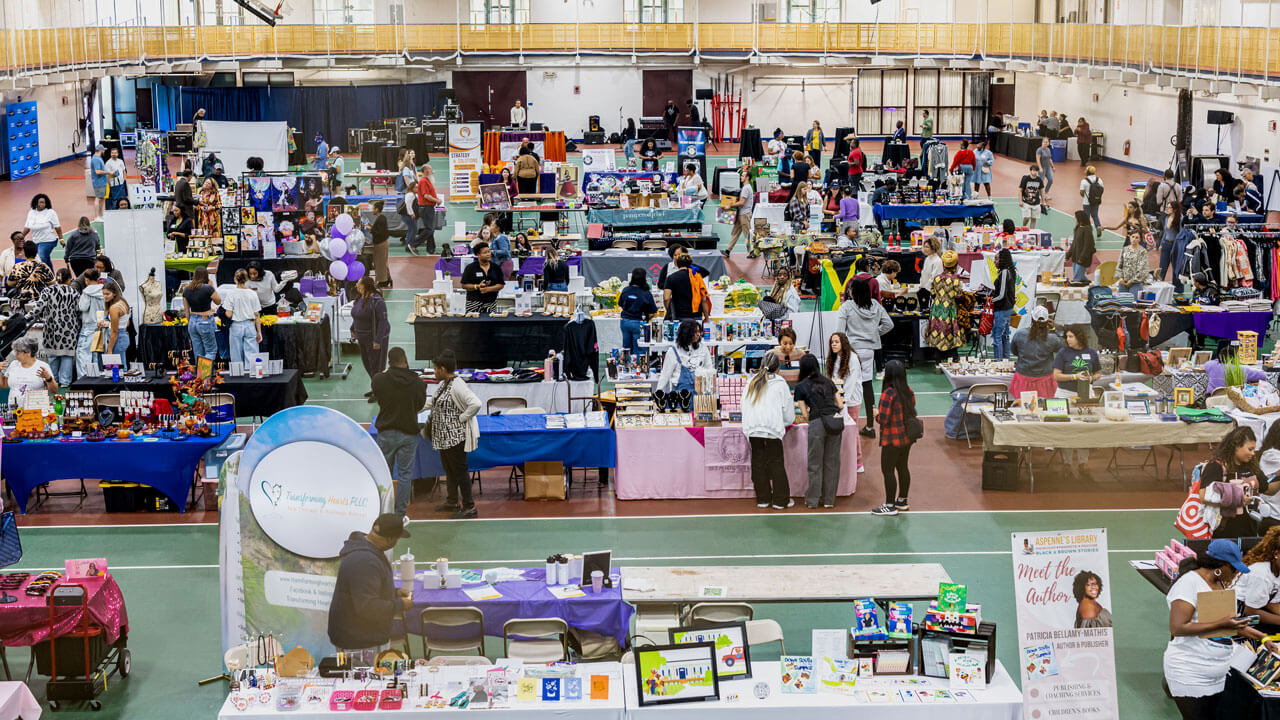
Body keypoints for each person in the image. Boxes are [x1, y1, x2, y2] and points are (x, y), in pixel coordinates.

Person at [1164, 539, 1277, 719]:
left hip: (1217, 675)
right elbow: (1178, 627)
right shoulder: (1189, 584)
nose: (1236, 573)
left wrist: (1262, 638)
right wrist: (1222, 624)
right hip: (1190, 673)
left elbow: (1231, 626)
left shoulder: (1222, 585)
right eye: (1233, 569)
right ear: (1220, 566)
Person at [327, 513, 414, 654]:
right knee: (365, 676)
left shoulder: (366, 551)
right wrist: (401, 605)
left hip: (359, 636)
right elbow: (367, 607)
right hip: (359, 643)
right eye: (397, 538)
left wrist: (394, 592)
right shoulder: (365, 561)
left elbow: (363, 590)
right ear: (390, 539)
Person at [371, 346, 428, 517]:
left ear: (389, 362)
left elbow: (378, 399)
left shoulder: (379, 379)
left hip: (386, 433)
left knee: (383, 474)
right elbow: (419, 406)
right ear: (405, 360)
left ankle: (383, 510)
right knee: (405, 475)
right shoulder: (418, 383)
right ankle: (400, 514)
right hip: (408, 434)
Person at [427, 349, 482, 519]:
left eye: (436, 369)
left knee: (460, 471)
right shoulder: (443, 384)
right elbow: (432, 401)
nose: (434, 372)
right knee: (449, 470)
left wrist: (462, 417)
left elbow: (476, 404)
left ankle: (469, 506)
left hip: (455, 437)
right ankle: (451, 501)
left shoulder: (458, 386)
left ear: (443, 369)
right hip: (444, 437)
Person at [741, 351, 796, 511]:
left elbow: (743, 406)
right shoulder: (780, 383)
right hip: (772, 427)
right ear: (778, 368)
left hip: (752, 427)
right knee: (776, 461)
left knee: (757, 461)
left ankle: (763, 499)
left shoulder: (751, 381)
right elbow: (788, 414)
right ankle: (780, 500)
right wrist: (783, 423)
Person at [838, 276, 892, 437]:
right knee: (867, 385)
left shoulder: (847, 307)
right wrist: (875, 334)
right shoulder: (876, 305)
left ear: (853, 292)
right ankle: (869, 426)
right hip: (869, 351)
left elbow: (840, 332)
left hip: (851, 351)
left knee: (845, 385)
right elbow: (889, 324)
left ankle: (843, 422)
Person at [1051, 325, 1102, 477]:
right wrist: (1074, 376)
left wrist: (1092, 378)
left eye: (1071, 336)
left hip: (1085, 394)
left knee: (1084, 429)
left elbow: (1098, 372)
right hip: (1064, 394)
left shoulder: (1091, 353)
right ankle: (1066, 463)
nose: (1068, 340)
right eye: (1067, 337)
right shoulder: (1063, 352)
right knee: (1066, 429)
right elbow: (1056, 375)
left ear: (1079, 337)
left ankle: (1083, 463)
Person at [793, 353, 843, 509]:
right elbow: (840, 405)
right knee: (832, 462)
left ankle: (813, 500)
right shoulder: (829, 382)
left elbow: (805, 414)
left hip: (817, 423)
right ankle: (829, 500)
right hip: (835, 422)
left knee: (815, 464)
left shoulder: (801, 387)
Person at [872, 360, 916, 516]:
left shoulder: (888, 394)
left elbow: (883, 419)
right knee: (903, 467)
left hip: (891, 438)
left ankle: (889, 505)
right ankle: (902, 501)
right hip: (907, 438)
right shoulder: (908, 391)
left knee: (888, 470)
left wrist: (876, 415)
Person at [35, 269, 80, 387]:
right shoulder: (74, 292)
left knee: (52, 355)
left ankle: (53, 379)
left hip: (51, 328)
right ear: (69, 279)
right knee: (67, 355)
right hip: (69, 329)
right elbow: (78, 310)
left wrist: (27, 317)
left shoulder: (47, 290)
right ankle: (65, 381)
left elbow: (38, 307)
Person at [1010, 305, 1062, 399]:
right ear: (1048, 321)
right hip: (1045, 379)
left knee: (1023, 407)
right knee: (1045, 408)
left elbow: (1014, 351)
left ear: (1032, 319)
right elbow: (1060, 349)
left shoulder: (1020, 334)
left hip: (1024, 377)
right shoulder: (1052, 338)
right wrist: (1054, 330)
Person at [352, 276, 390, 401]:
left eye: (358, 283)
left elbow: (383, 322)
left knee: (376, 366)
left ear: (365, 285)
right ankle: (375, 387)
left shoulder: (377, 301)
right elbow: (357, 315)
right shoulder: (360, 298)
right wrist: (353, 329)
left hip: (373, 339)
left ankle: (379, 391)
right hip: (362, 338)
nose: (356, 285)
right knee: (367, 364)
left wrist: (378, 340)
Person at [1239, 526, 1280, 633]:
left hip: (1256, 610)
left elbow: (1272, 603)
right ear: (1276, 554)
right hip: (1239, 614)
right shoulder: (1260, 573)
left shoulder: (1277, 571)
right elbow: (1251, 612)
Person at [926, 250, 965, 363]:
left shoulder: (936, 278)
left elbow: (932, 293)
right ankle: (951, 362)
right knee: (950, 334)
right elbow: (959, 296)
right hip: (949, 310)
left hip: (937, 309)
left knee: (938, 333)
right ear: (955, 265)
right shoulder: (955, 280)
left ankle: (938, 363)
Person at [657, 320, 713, 395]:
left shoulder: (703, 349)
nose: (698, 334)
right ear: (686, 333)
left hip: (700, 396)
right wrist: (658, 393)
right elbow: (665, 375)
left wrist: (711, 392)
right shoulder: (673, 351)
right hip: (680, 396)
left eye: (699, 331)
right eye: (695, 332)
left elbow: (709, 371)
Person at [826, 332, 863, 438]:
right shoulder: (835, 357)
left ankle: (857, 454)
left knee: (852, 431)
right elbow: (832, 380)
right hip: (839, 400)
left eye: (837, 342)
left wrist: (842, 401)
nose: (833, 344)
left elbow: (850, 384)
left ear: (843, 343)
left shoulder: (853, 359)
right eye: (832, 342)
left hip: (851, 400)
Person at [0, 337, 57, 405]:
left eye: (18, 352)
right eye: (15, 351)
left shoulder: (42, 366)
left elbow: (54, 390)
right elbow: (4, 385)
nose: (15, 354)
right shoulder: (13, 364)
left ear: (28, 352)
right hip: (14, 409)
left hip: (35, 410)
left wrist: (48, 378)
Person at [222, 269, 262, 366]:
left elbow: (229, 314)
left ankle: (238, 377)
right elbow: (256, 314)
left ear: (235, 279)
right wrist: (259, 332)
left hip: (236, 325)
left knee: (236, 354)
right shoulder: (252, 293)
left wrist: (222, 312)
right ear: (247, 279)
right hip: (249, 325)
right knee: (252, 354)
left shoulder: (231, 294)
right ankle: (251, 375)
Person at [182, 266, 221, 361]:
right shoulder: (208, 288)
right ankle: (205, 374)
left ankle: (200, 374)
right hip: (205, 320)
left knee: (198, 351)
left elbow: (187, 311)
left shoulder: (186, 289)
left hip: (192, 322)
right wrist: (212, 287)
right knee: (211, 350)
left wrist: (190, 322)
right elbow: (218, 301)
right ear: (206, 276)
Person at [618, 268, 657, 357]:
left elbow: (620, 304)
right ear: (644, 278)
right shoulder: (646, 293)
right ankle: (639, 368)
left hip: (625, 322)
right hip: (639, 323)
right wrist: (647, 318)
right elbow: (653, 311)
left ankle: (627, 367)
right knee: (639, 350)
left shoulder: (626, 290)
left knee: (626, 348)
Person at [663, 253, 710, 322]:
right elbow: (704, 299)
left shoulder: (671, 278)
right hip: (696, 314)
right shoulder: (697, 277)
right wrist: (706, 317)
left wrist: (669, 312)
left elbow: (666, 298)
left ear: (676, 264)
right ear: (690, 264)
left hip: (679, 315)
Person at [1159, 202, 1195, 294]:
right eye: (1167, 207)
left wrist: (1179, 246)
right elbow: (1165, 232)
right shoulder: (1166, 218)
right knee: (1162, 267)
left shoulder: (1180, 219)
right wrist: (1161, 244)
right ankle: (1158, 285)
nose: (1167, 209)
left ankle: (1178, 289)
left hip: (1175, 246)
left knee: (1176, 267)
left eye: (1169, 207)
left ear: (1174, 209)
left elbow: (1181, 234)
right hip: (1166, 244)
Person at [461, 242, 504, 314]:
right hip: (473, 304)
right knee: (473, 324)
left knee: (489, 324)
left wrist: (488, 289)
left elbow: (501, 284)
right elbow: (464, 285)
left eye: (489, 251)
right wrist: (477, 286)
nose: (488, 254)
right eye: (485, 252)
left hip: (491, 303)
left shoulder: (496, 267)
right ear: (478, 254)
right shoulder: (470, 268)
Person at [75, 269, 104, 376]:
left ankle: (83, 380)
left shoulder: (86, 292)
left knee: (83, 354)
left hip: (88, 327)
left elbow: (83, 307)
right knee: (96, 355)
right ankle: (95, 379)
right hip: (101, 325)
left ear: (86, 280)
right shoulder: (103, 290)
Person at [22, 194, 62, 270]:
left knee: (41, 258)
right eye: (40, 202)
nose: (41, 204)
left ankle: (39, 276)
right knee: (46, 260)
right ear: (35, 203)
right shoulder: (31, 212)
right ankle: (52, 277)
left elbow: (57, 227)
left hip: (48, 241)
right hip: (36, 241)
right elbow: (27, 227)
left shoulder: (51, 212)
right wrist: (21, 237)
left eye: (43, 202)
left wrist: (61, 239)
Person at [990, 249, 1017, 360]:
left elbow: (1001, 295)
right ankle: (1006, 361)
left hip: (1002, 309)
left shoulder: (1005, 272)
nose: (994, 261)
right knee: (1005, 336)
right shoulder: (1009, 271)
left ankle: (999, 362)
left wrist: (989, 300)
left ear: (1003, 260)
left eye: (996, 259)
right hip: (1007, 308)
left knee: (997, 337)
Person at [97, 279, 130, 363]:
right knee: (121, 366)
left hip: (117, 339)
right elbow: (126, 323)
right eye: (103, 294)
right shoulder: (123, 302)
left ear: (114, 293)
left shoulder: (114, 307)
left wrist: (109, 350)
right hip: (123, 336)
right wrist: (108, 324)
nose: (105, 296)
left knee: (116, 368)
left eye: (107, 294)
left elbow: (114, 332)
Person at [724, 168, 755, 257]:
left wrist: (730, 205)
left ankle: (752, 252)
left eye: (743, 176)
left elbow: (742, 202)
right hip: (741, 214)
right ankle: (728, 251)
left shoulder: (746, 188)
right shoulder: (745, 187)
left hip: (744, 215)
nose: (741, 177)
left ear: (747, 178)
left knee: (747, 234)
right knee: (735, 233)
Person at [395, 149, 419, 253]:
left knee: (413, 228)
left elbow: (414, 178)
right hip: (408, 196)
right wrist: (411, 213)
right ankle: (409, 245)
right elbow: (408, 183)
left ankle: (410, 244)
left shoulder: (409, 168)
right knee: (413, 228)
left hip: (412, 195)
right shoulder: (405, 169)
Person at [414, 163, 440, 254]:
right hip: (426, 207)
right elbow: (426, 195)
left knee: (430, 229)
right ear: (425, 171)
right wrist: (437, 200)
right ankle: (413, 244)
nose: (432, 172)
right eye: (430, 170)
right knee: (429, 229)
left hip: (428, 207)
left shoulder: (427, 180)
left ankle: (431, 249)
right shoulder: (424, 181)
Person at [1067, 209, 1096, 284]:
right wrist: (1069, 254)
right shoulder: (1077, 229)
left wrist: (1082, 258)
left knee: (1077, 279)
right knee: (1080, 277)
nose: (1074, 219)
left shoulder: (1087, 230)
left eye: (1075, 217)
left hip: (1081, 259)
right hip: (1075, 258)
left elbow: (1087, 246)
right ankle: (1088, 283)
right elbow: (1074, 243)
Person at [1117, 228, 1149, 295]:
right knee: (1122, 303)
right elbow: (1119, 265)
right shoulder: (1124, 249)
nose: (1134, 239)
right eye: (1133, 237)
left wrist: (1132, 280)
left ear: (1140, 239)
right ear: (1130, 237)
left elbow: (1142, 269)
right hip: (1123, 282)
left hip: (1136, 283)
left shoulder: (1142, 252)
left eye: (1137, 238)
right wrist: (1120, 278)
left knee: (1133, 303)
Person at [367, 200, 391, 289]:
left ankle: (382, 281)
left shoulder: (380, 219)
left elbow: (379, 232)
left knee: (380, 262)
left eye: (373, 208)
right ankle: (387, 278)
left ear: (377, 209)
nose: (372, 210)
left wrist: (370, 228)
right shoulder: (381, 218)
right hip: (383, 242)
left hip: (381, 243)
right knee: (383, 262)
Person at [1019, 164, 1045, 229]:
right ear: (1030, 171)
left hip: (1036, 202)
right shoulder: (1025, 179)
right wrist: (1020, 201)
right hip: (1026, 202)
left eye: (1036, 171)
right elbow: (1020, 191)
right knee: (1027, 218)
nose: (1035, 172)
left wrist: (1043, 201)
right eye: (1033, 170)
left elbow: (1042, 191)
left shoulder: (1039, 180)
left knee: (1033, 219)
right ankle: (1024, 227)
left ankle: (1031, 233)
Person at [88, 147, 110, 218]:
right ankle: (97, 216)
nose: (104, 151)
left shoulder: (98, 158)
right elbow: (97, 171)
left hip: (102, 182)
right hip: (99, 182)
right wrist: (108, 172)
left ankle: (100, 215)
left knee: (101, 199)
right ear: (100, 150)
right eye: (103, 150)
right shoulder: (96, 159)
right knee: (98, 198)